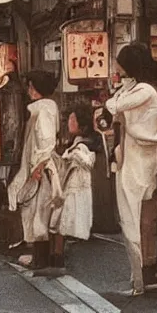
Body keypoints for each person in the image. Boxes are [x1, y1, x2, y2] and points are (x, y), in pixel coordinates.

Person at [105, 43, 157, 296]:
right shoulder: (134, 89)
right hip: (132, 159)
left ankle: (141, 278)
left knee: (134, 218)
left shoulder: (145, 91)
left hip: (140, 162)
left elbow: (112, 106)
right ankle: (138, 276)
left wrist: (116, 94)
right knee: (131, 218)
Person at [7, 70, 61, 265]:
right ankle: (39, 255)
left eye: (30, 86)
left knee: (38, 211)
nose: (29, 90)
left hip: (41, 168)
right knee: (37, 210)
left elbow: (46, 140)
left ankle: (40, 258)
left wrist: (39, 166)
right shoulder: (45, 108)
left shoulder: (43, 109)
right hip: (39, 166)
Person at [57, 104, 99, 246]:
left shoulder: (85, 144)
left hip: (80, 185)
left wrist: (74, 154)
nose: (70, 122)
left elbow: (89, 162)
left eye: (73, 119)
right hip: (72, 184)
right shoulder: (75, 143)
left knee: (79, 209)